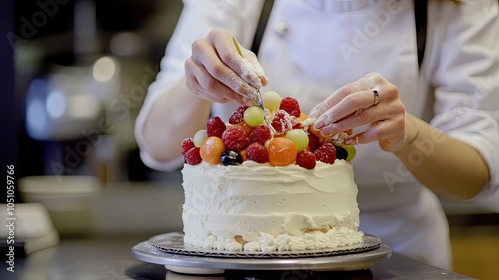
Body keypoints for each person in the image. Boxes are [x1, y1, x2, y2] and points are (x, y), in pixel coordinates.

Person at [134, 0, 499, 270]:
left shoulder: (462, 7)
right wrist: (196, 82)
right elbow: (157, 146)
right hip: (243, 257)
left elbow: (475, 176)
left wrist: (409, 134)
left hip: (396, 255)